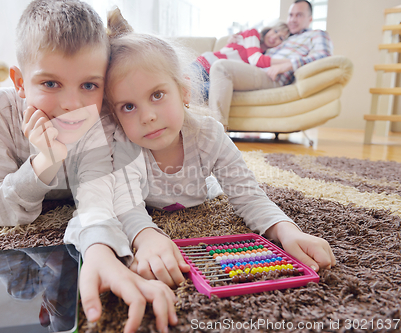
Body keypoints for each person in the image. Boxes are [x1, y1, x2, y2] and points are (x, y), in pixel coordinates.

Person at [0, 1, 177, 332]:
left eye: (89, 85)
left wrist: (100, 249)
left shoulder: (99, 116)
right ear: (20, 82)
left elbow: (101, 195)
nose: (71, 105)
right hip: (25, 266)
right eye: (50, 84)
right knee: (20, 288)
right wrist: (42, 164)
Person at [104, 12, 336, 289]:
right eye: (128, 106)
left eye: (157, 95)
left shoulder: (209, 135)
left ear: (184, 91)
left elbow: (248, 194)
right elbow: (126, 205)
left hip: (203, 193)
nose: (148, 116)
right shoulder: (124, 145)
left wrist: (286, 230)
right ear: (116, 115)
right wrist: (146, 236)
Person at [209, 0, 333, 127]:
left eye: (299, 15)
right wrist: (236, 40)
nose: (293, 19)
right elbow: (256, 54)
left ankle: (216, 133)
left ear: (310, 19)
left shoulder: (317, 34)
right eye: (291, 15)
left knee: (221, 67)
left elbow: (324, 56)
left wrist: (289, 64)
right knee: (208, 82)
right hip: (257, 70)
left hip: (273, 77)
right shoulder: (286, 37)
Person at [193, 22, 290, 100]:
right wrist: (289, 62)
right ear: (269, 29)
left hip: (220, 77)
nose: (275, 37)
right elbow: (256, 60)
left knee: (190, 93)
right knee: (181, 85)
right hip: (206, 64)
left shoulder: (266, 57)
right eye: (275, 31)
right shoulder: (253, 33)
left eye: (281, 38)